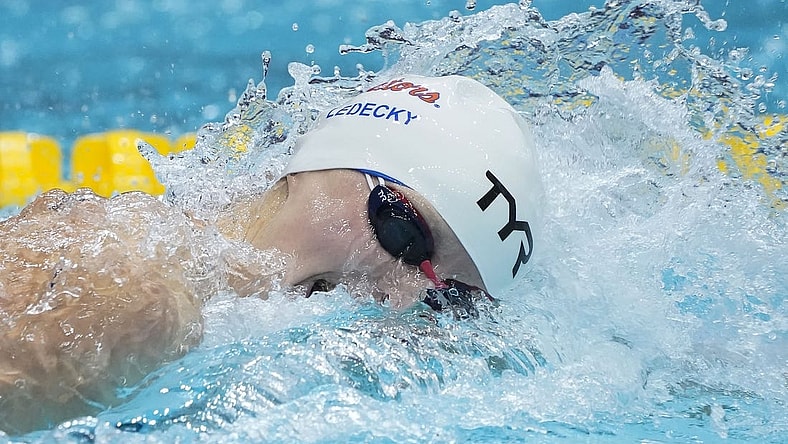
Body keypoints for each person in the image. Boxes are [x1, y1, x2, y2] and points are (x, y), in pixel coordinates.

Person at [0, 75, 542, 433]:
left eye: (449, 299)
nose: (399, 301)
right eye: (405, 235)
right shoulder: (137, 287)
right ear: (316, 166)